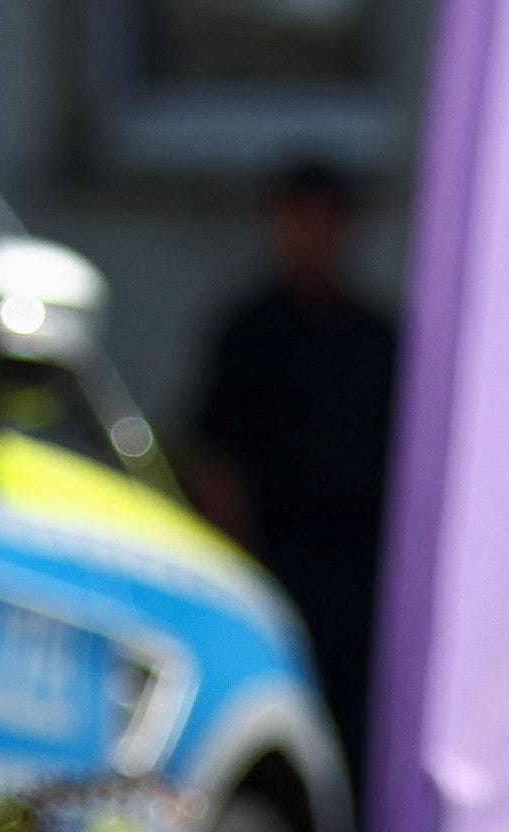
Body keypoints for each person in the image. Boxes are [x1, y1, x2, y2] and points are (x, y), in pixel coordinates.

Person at [183, 157, 399, 765]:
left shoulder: (376, 339)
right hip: (279, 563)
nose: (314, 235)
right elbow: (216, 460)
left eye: (327, 220)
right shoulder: (251, 332)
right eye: (300, 219)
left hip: (361, 574)